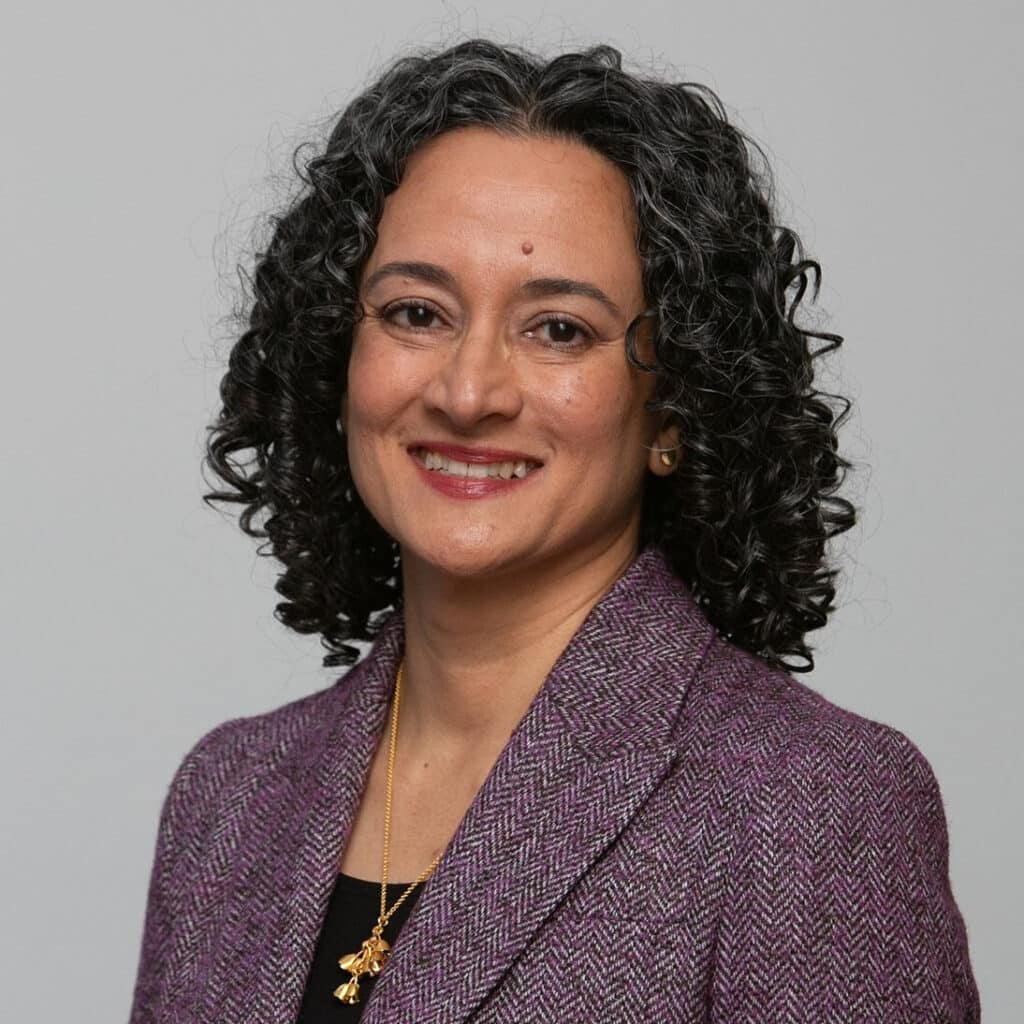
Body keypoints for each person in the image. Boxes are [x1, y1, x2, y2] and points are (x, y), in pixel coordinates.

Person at [128, 37, 980, 1024]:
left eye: (559, 329)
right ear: (334, 357)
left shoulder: (811, 804)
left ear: (674, 410)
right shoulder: (229, 798)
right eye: (417, 312)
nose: (468, 392)